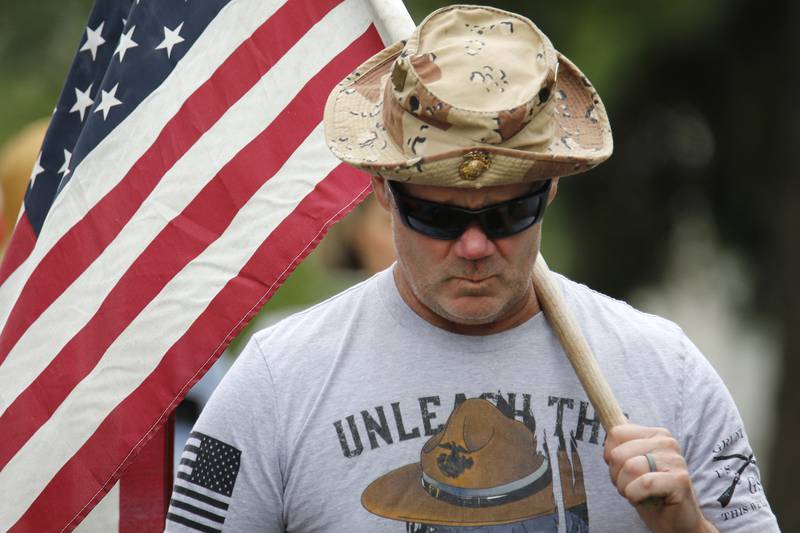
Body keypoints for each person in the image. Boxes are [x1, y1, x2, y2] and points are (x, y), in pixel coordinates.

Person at [165, 5, 778, 532]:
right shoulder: (277, 380)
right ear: (384, 192)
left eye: (510, 213)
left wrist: (689, 526)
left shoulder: (663, 373)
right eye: (438, 218)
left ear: (551, 189)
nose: (476, 246)